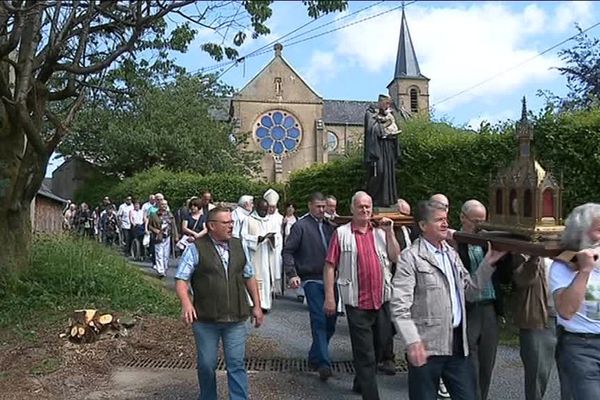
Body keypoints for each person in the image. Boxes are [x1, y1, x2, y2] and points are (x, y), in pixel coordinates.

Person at [391, 200, 507, 400]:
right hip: (426, 347)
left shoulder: (451, 254)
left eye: (445, 219)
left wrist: (488, 263)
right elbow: (399, 306)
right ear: (423, 226)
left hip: (457, 346)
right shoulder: (410, 258)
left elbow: (469, 292)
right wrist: (412, 342)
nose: (445, 224)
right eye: (438, 220)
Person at [174, 206, 264, 400]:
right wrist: (187, 303)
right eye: (226, 223)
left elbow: (249, 277)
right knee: (206, 364)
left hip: (236, 318)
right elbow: (181, 279)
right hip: (206, 320)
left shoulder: (239, 247)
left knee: (236, 364)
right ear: (212, 226)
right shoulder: (196, 248)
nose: (231, 226)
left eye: (232, 222)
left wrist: (257, 305)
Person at [323, 191, 400, 399]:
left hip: (381, 300)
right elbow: (330, 266)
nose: (365, 210)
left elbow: (395, 257)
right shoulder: (341, 234)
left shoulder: (381, 233)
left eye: (368, 206)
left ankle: (360, 381)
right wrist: (329, 297)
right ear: (352, 209)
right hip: (357, 301)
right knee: (365, 353)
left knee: (379, 344)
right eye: (360, 206)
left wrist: (390, 232)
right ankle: (370, 395)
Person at [457, 199, 511, 400]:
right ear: (463, 217)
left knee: (487, 363)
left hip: (489, 308)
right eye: (475, 221)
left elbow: (505, 277)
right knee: (469, 362)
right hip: (468, 309)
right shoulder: (455, 242)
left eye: (483, 221)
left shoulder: (489, 242)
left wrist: (506, 254)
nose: (480, 226)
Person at [283, 192, 337, 381]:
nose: (322, 210)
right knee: (319, 319)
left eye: (324, 206)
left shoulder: (331, 227)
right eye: (318, 206)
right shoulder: (301, 227)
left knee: (331, 322)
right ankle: (323, 363)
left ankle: (315, 356)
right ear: (310, 206)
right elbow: (288, 251)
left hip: (332, 280)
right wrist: (292, 274)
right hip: (312, 278)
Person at [550, 203, 600, 400]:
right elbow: (566, 310)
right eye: (598, 230)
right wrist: (585, 270)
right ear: (581, 234)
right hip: (581, 346)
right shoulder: (563, 266)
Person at [514, 255, 571, 400]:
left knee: (573, 376)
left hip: (571, 321)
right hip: (538, 320)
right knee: (536, 376)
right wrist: (533, 259)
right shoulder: (525, 252)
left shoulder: (574, 249)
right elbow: (521, 280)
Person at [241, 199, 281, 312]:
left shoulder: (271, 221)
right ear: (256, 208)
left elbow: (278, 236)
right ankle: (252, 303)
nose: (264, 212)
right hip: (254, 255)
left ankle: (265, 304)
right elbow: (243, 237)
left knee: (266, 279)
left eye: (265, 210)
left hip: (267, 255)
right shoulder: (248, 220)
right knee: (254, 277)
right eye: (262, 209)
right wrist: (256, 239)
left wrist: (272, 238)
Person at [364, 94, 399, 208]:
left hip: (387, 148)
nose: (388, 106)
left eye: (389, 103)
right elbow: (371, 129)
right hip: (377, 150)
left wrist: (392, 134)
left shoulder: (390, 114)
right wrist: (382, 127)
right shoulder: (371, 113)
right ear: (380, 102)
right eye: (386, 103)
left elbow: (394, 127)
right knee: (379, 172)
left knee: (389, 174)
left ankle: (386, 201)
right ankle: (373, 199)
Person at [148, 199, 177, 278]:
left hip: (167, 236)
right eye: (162, 204)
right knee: (159, 253)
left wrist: (176, 236)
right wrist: (155, 230)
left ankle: (164, 268)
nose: (164, 206)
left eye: (165, 204)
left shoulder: (170, 215)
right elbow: (149, 226)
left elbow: (173, 226)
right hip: (158, 237)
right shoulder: (153, 215)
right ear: (159, 205)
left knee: (166, 254)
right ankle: (160, 271)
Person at [264, 189, 283, 297]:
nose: (271, 209)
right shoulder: (263, 217)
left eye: (273, 207)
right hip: (266, 244)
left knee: (276, 265)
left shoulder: (280, 218)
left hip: (277, 245)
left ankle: (276, 287)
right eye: (270, 207)